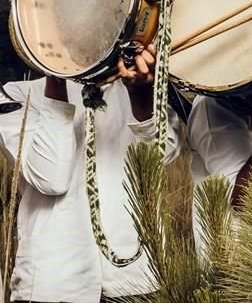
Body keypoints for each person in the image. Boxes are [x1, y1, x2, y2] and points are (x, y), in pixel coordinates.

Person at [0, 46, 184, 303]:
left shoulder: (136, 86)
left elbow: (160, 159)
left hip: (135, 280)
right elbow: (50, 178)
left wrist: (141, 98)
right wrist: (56, 76)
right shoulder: (16, 94)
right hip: (54, 285)